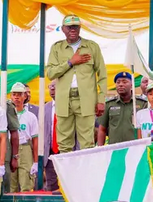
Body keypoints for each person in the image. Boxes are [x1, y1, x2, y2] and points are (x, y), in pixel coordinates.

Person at [46, 14, 107, 152]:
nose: (72, 29)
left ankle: (86, 174)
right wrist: (70, 62)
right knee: (64, 144)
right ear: (63, 29)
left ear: (80, 28)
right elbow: (50, 73)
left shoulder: (92, 47)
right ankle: (64, 174)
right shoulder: (57, 48)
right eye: (69, 27)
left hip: (86, 100)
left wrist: (101, 100)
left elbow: (102, 75)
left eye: (75, 26)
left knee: (87, 143)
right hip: (63, 100)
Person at [98, 72, 147, 145]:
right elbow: (102, 129)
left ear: (131, 85)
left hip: (135, 148)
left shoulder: (142, 103)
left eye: (125, 82)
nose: (120, 84)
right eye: (118, 82)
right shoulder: (109, 104)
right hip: (114, 148)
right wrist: (100, 149)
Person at [9, 82, 38, 192]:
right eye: (14, 94)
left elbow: (35, 140)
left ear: (25, 96)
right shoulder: (6, 115)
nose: (16, 97)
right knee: (11, 185)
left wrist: (35, 162)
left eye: (19, 94)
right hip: (11, 148)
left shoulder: (31, 117)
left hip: (25, 148)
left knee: (26, 183)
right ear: (11, 96)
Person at [43, 80, 59, 191]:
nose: (52, 89)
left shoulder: (70, 106)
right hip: (49, 152)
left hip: (66, 151)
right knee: (51, 185)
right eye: (50, 86)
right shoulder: (44, 108)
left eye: (55, 86)